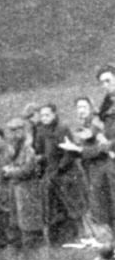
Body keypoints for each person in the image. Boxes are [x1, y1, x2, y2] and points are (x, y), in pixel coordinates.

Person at [37, 104, 88, 245]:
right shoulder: (41, 131)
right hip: (50, 173)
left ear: (54, 114)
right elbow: (40, 151)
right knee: (54, 207)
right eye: (42, 116)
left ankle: (78, 236)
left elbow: (69, 153)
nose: (44, 118)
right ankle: (60, 239)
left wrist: (59, 169)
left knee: (71, 206)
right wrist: (42, 163)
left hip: (66, 173)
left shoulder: (62, 129)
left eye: (47, 115)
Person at [73, 96, 115, 238]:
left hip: (105, 169)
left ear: (91, 108)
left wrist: (80, 150)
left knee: (108, 206)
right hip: (93, 171)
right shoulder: (82, 126)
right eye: (78, 107)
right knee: (102, 208)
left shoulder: (97, 124)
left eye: (84, 107)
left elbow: (103, 148)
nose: (81, 110)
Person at [2, 117, 44, 248]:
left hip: (29, 189)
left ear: (23, 129)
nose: (14, 133)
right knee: (18, 220)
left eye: (16, 129)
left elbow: (27, 170)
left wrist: (9, 172)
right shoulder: (15, 146)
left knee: (30, 221)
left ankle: (35, 248)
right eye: (11, 130)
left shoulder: (29, 147)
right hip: (18, 188)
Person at [97, 64, 115, 148]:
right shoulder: (105, 106)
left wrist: (110, 144)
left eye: (108, 81)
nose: (105, 85)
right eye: (102, 82)